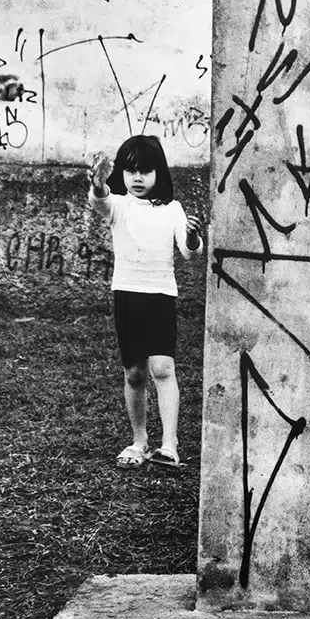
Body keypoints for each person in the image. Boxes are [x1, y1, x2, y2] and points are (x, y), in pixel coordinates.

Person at [87, 135, 204, 470]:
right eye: (130, 171)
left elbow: (190, 252)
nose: (137, 178)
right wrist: (97, 183)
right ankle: (139, 441)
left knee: (162, 369)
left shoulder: (172, 209)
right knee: (135, 374)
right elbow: (100, 199)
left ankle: (169, 445)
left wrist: (194, 235)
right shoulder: (118, 205)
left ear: (159, 173)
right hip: (126, 297)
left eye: (145, 171)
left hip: (161, 298)